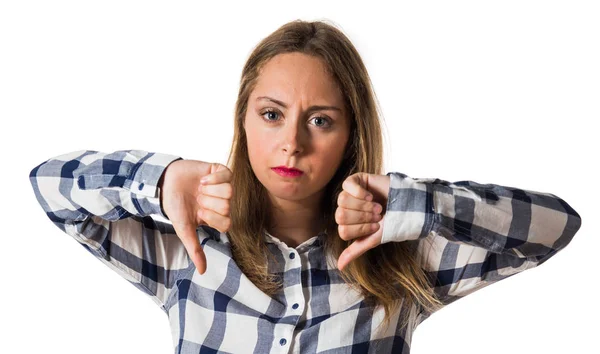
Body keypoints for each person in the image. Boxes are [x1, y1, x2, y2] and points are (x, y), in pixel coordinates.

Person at [29, 19, 582, 354]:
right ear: (242, 120)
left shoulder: (404, 262)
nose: (292, 142)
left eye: (321, 120)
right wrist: (161, 177)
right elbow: (49, 186)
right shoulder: (185, 252)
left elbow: (555, 228)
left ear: (350, 136)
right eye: (271, 115)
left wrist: (419, 203)